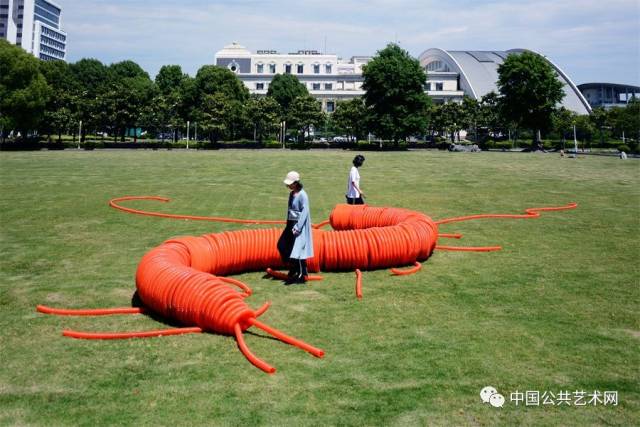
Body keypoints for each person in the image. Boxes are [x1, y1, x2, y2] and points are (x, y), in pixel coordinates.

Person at [277, 171, 314, 284]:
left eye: (290, 183)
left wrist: (297, 228)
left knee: (298, 250)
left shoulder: (303, 195)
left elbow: (304, 212)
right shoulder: (292, 194)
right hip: (290, 225)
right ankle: (293, 267)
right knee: (282, 245)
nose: (288, 185)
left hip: (299, 227)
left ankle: (302, 274)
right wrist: (288, 225)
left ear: (296, 182)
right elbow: (290, 211)